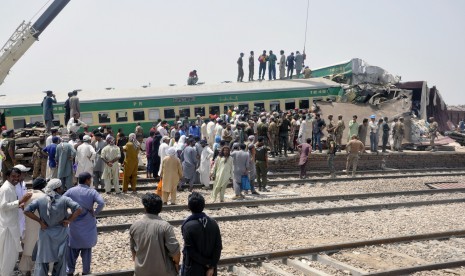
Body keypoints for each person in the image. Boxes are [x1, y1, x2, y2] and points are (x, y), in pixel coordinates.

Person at [24, 179, 81, 276]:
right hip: (61, 233)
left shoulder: (40, 200)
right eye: (61, 187)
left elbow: (26, 211)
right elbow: (78, 209)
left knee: (42, 259)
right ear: (57, 189)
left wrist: (40, 221)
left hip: (45, 233)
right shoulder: (65, 199)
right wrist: (69, 220)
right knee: (60, 260)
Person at [130, 193, 181, 275]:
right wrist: (176, 264)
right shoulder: (165, 226)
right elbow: (175, 253)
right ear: (160, 209)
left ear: (145, 208)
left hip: (141, 272)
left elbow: (134, 253)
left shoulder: (134, 226)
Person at [64, 172, 105, 275]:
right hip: (88, 223)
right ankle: (85, 271)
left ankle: (70, 270)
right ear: (87, 180)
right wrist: (95, 212)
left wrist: (67, 214)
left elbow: (61, 201)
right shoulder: (92, 192)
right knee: (87, 250)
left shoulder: (71, 191)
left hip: (74, 224)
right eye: (90, 179)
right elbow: (101, 203)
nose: (91, 181)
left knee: (72, 250)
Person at [0, 168, 32, 276]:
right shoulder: (6, 189)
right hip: (7, 227)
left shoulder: (11, 187)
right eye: (13, 176)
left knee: (11, 255)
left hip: (12, 225)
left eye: (18, 176)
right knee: (8, 256)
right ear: (8, 176)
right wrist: (20, 201)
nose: (16, 179)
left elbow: (10, 204)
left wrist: (19, 205)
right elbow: (3, 206)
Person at [181, 192, 222, 276]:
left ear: (189, 207)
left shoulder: (187, 226)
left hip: (193, 269)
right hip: (211, 271)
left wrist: (207, 263)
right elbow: (218, 247)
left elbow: (191, 251)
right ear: (203, 206)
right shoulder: (213, 223)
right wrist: (211, 266)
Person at [18, 178, 47, 276]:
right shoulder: (45, 196)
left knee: (28, 248)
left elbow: (23, 207)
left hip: (29, 226)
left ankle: (26, 271)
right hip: (41, 226)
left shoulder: (27, 195)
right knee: (40, 250)